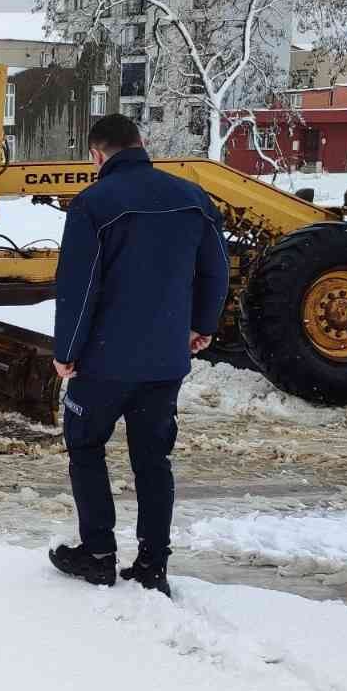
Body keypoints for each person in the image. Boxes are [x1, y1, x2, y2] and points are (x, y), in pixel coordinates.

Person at [47, 114, 229, 597]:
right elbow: (217, 271)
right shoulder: (193, 198)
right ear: (141, 143)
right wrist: (202, 326)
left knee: (86, 446)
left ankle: (98, 555)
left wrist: (66, 352)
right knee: (153, 459)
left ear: (96, 155)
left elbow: (79, 287)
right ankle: (153, 564)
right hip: (165, 361)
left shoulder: (93, 204)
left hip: (104, 363)